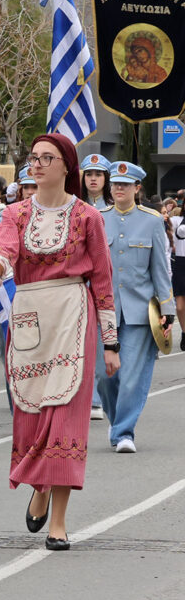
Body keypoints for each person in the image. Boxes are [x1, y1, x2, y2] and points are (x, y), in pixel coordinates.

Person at [0, 134, 117, 548]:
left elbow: (103, 279)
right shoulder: (15, 214)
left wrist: (110, 343)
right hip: (30, 316)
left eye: (46, 158)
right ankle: (39, 486)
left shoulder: (87, 217)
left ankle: (58, 522)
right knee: (35, 411)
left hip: (74, 315)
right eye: (33, 157)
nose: (36, 165)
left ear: (65, 166)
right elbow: (1, 246)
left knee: (68, 414)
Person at [96, 160, 175, 454]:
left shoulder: (152, 220)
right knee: (105, 377)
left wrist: (167, 310)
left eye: (125, 185)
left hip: (140, 312)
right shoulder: (97, 218)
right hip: (103, 310)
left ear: (137, 188)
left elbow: (160, 269)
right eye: (115, 184)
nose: (118, 189)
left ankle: (123, 432)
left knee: (131, 376)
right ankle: (118, 422)